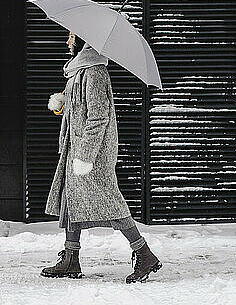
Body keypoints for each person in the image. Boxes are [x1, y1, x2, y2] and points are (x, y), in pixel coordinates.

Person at [41, 30, 162, 284]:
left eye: (72, 37)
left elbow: (98, 117)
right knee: (71, 200)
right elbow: (82, 106)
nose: (68, 42)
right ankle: (71, 259)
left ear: (85, 42)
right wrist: (63, 102)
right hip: (77, 148)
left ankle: (144, 253)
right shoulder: (79, 70)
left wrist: (85, 156)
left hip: (91, 154)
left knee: (110, 202)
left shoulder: (94, 72)